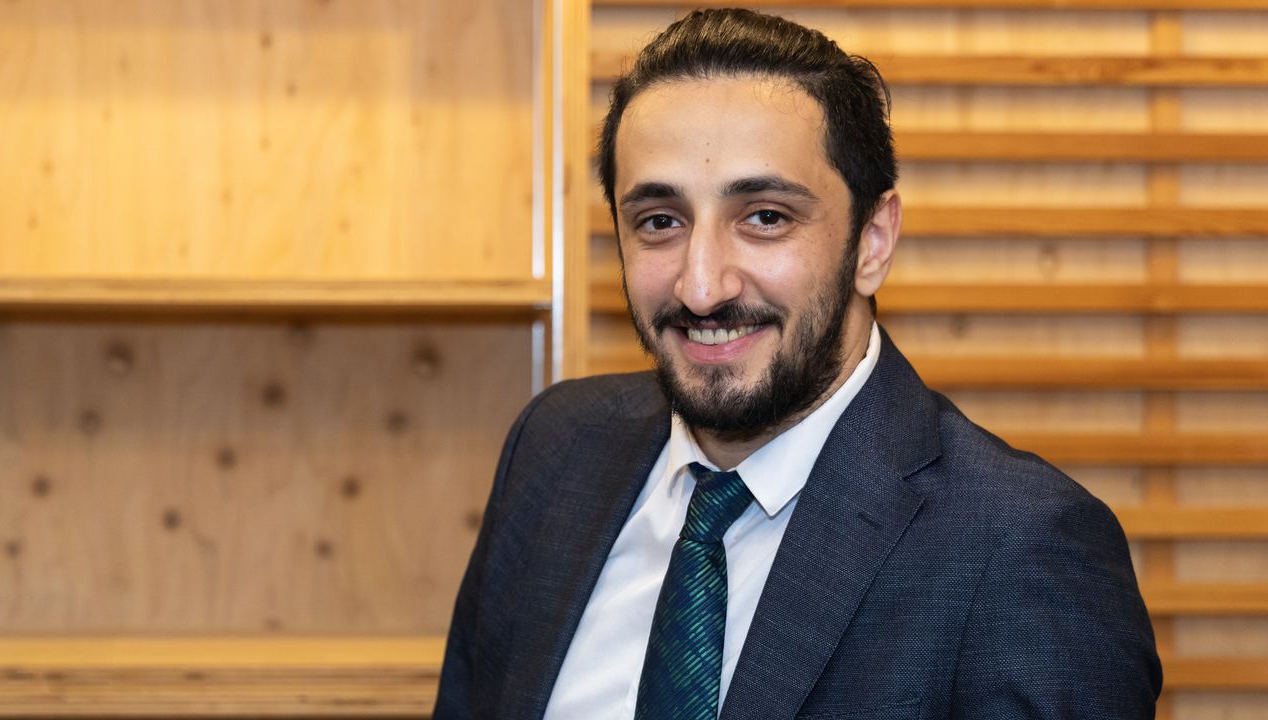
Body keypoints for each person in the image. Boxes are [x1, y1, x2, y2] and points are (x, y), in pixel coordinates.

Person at [434, 8, 1162, 719]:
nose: (701, 286)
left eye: (765, 217)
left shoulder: (1023, 551)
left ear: (872, 242)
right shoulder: (554, 451)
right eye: (660, 222)